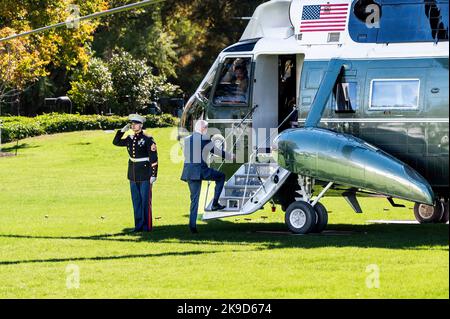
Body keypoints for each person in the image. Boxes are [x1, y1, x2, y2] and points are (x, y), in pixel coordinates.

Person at [180, 120, 234, 233]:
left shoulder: (187, 139)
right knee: (221, 177)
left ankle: (192, 226)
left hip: (188, 172)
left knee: (194, 199)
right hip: (201, 170)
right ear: (203, 128)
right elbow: (217, 152)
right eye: (206, 128)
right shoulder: (204, 139)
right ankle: (215, 204)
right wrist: (230, 156)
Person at [113, 114, 158, 232]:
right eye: (132, 124)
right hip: (133, 173)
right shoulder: (130, 138)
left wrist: (153, 174)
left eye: (135, 124)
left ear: (141, 125)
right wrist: (122, 131)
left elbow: (153, 158)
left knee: (145, 201)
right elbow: (116, 142)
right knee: (136, 201)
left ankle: (147, 226)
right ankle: (138, 225)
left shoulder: (148, 139)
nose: (133, 126)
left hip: (145, 174)